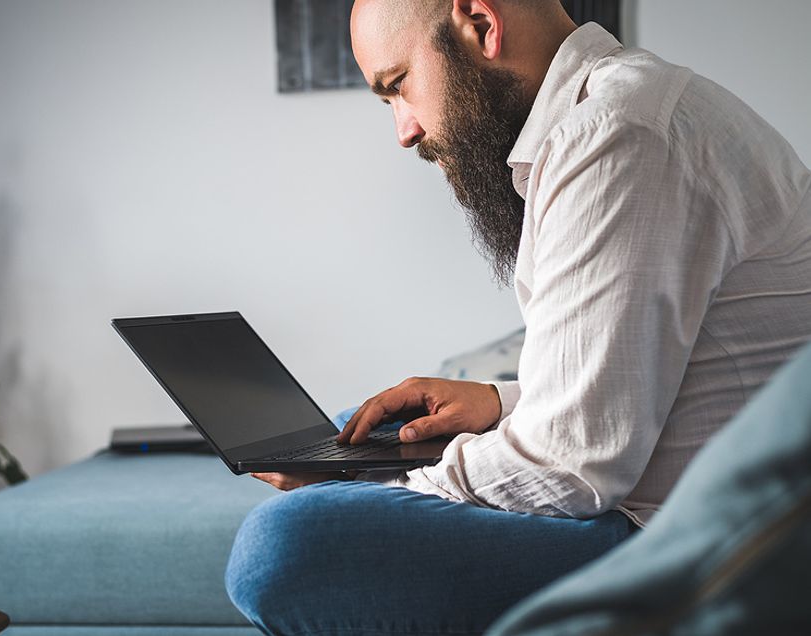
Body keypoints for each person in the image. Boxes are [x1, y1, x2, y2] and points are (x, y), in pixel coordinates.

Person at [226, 0, 811, 633]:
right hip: (645, 488)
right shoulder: (613, 113)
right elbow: (644, 376)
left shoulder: (618, 134)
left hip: (680, 538)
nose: (405, 130)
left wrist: (376, 486)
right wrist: (495, 404)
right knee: (355, 433)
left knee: (282, 545)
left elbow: (571, 465)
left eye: (399, 87)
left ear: (481, 24)